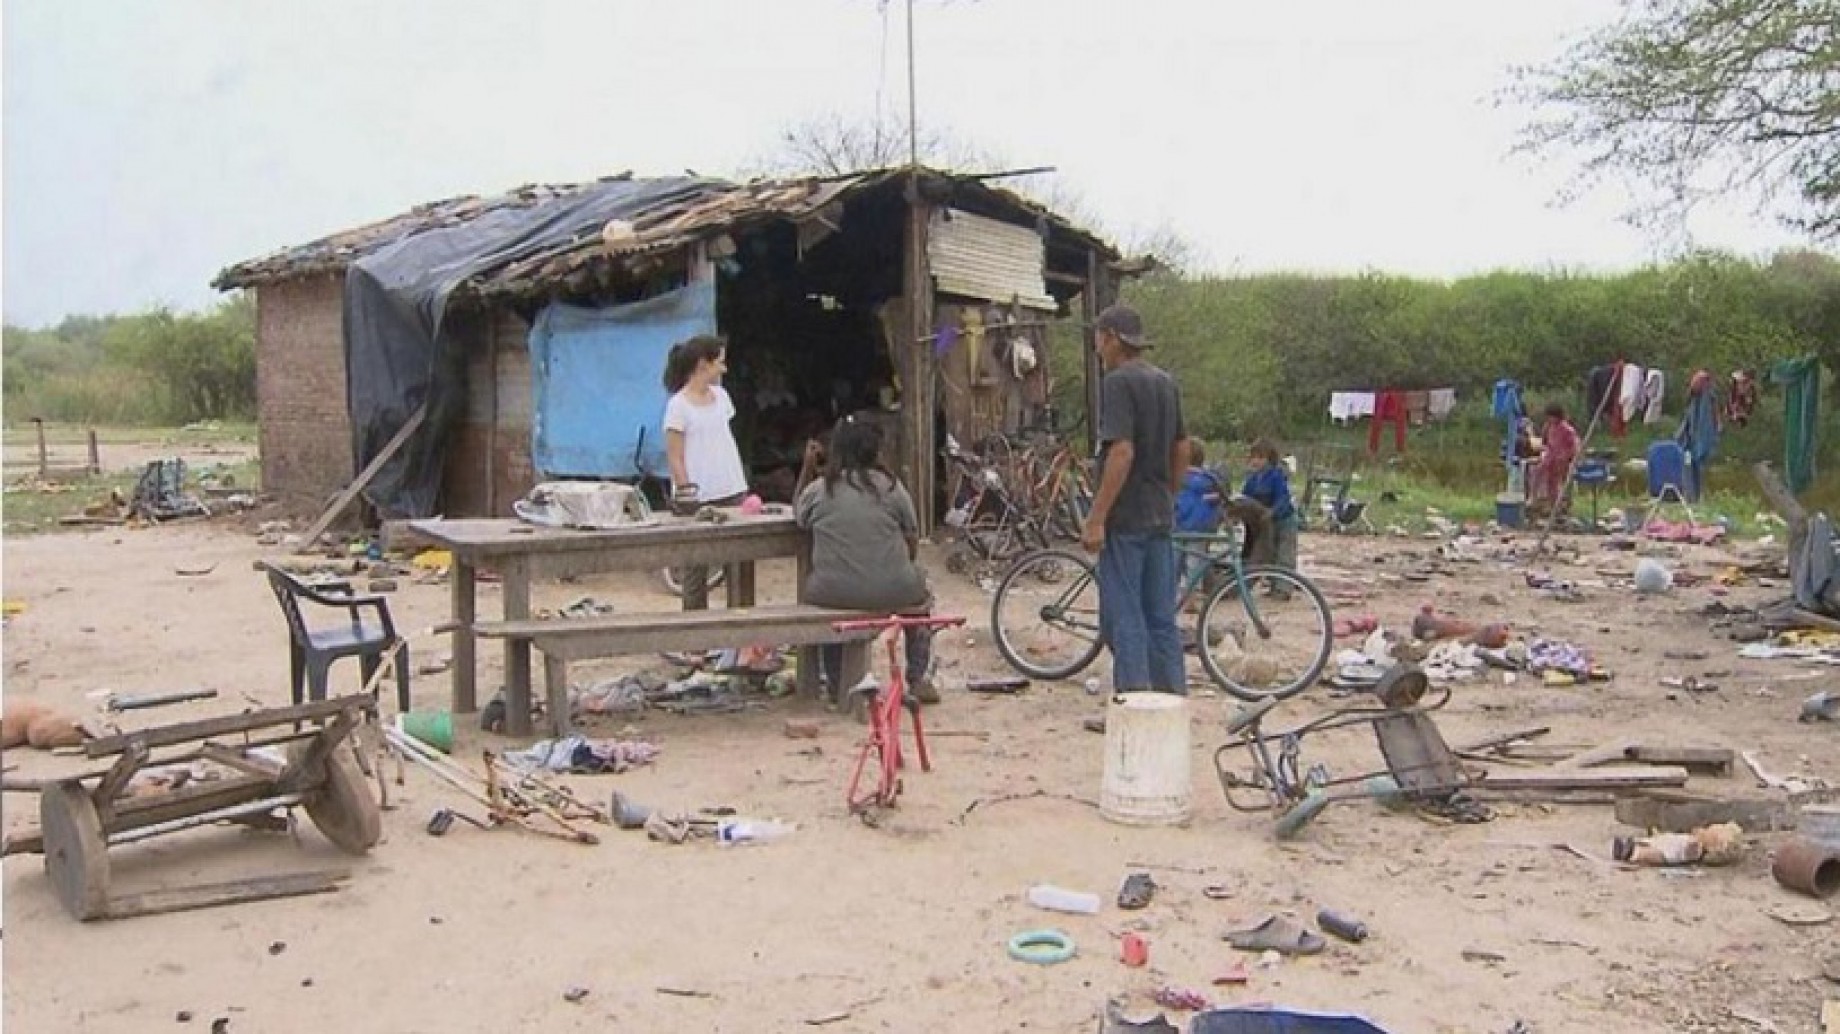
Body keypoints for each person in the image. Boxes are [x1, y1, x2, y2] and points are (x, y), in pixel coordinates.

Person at [1081, 304, 1189, 695]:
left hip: (1126, 519)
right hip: (1159, 515)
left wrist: (1096, 517)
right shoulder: (1165, 382)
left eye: (1098, 339)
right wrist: (1169, 493)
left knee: (1125, 616)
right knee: (1160, 617)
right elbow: (1183, 448)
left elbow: (1121, 451)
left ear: (1110, 338)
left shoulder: (1118, 383)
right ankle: (1171, 703)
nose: (1097, 348)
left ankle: (1134, 706)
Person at [794, 415, 939, 706]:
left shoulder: (821, 490)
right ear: (876, 450)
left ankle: (837, 684)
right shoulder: (891, 487)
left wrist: (807, 468)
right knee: (923, 597)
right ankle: (918, 677)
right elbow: (911, 537)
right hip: (895, 588)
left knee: (828, 611)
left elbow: (798, 515)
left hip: (832, 592)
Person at [662, 335, 748, 508]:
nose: (724, 369)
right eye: (719, 362)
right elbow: (675, 457)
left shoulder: (722, 396)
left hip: (733, 489)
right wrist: (686, 494)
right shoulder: (677, 405)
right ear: (703, 364)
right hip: (700, 496)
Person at [1240, 438, 1298, 575]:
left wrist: (1272, 511)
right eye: (1253, 457)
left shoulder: (1276, 476)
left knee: (1284, 554)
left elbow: (1283, 498)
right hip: (1265, 521)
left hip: (1284, 520)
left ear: (1270, 459)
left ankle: (1283, 588)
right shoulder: (1252, 479)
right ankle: (1271, 583)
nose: (1256, 461)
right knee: (1268, 553)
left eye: (1260, 458)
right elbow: (1245, 498)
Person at [1532, 403, 1579, 515]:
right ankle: (1548, 504)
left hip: (1563, 459)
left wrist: (1568, 456)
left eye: (1551, 417)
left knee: (1563, 482)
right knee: (1545, 478)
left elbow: (1575, 446)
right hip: (1551, 457)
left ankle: (1564, 505)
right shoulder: (1548, 427)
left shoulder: (1567, 429)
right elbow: (1546, 442)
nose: (1549, 419)